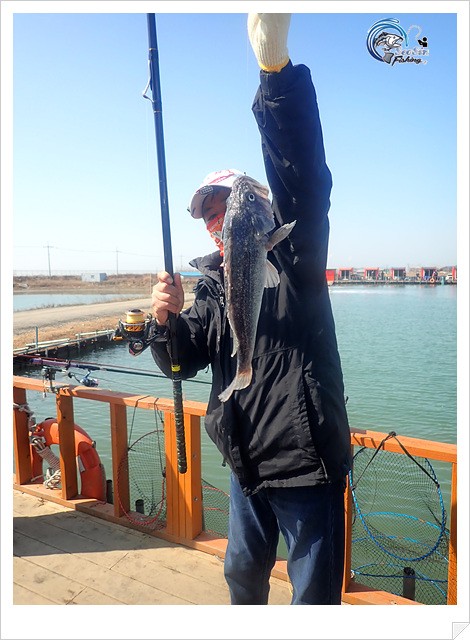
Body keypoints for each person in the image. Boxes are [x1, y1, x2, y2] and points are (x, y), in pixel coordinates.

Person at [150, 13, 352, 605]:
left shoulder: (294, 254)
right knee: (241, 578)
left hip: (306, 466)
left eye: (225, 207)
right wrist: (164, 322)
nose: (216, 221)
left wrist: (275, 73)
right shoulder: (211, 287)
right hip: (244, 464)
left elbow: (302, 175)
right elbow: (181, 363)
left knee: (313, 598)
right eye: (209, 215)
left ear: (259, 206)